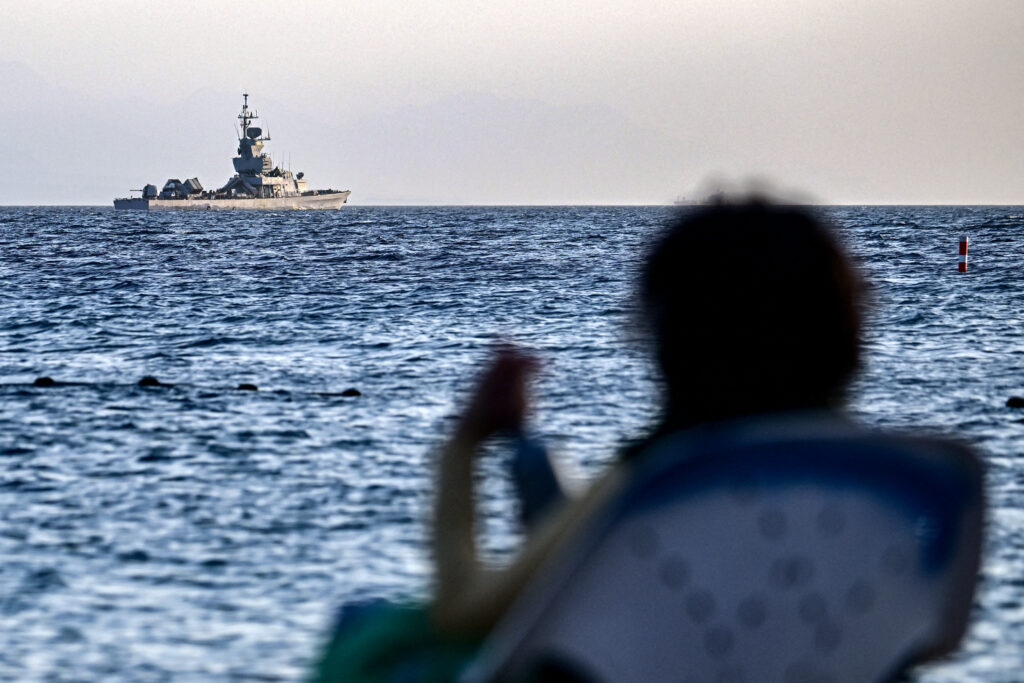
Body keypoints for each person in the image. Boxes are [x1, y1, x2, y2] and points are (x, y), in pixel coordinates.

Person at [314, 199, 980, 681]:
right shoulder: (905, 495)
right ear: (848, 335)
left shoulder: (652, 486)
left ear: (665, 337)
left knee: (370, 633)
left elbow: (463, 609)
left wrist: (465, 446)